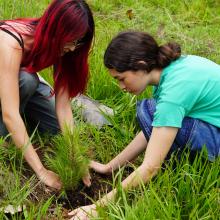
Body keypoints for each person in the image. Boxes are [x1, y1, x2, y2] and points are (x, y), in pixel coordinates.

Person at [68, 31, 220, 219]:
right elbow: (154, 129)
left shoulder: (173, 95)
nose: (121, 87)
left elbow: (150, 167)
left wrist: (97, 207)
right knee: (152, 112)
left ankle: (197, 164)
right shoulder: (173, 69)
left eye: (121, 78)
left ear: (141, 66)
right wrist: (109, 167)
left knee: (149, 111)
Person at [0, 0, 94, 190]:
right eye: (71, 40)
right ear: (55, 30)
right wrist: (42, 171)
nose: (74, 48)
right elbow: (10, 113)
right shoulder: (10, 42)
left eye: (79, 41)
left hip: (20, 78)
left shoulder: (64, 49)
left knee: (58, 130)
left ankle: (23, 116)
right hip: (11, 78)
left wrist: (75, 154)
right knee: (27, 80)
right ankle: (4, 137)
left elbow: (63, 106)